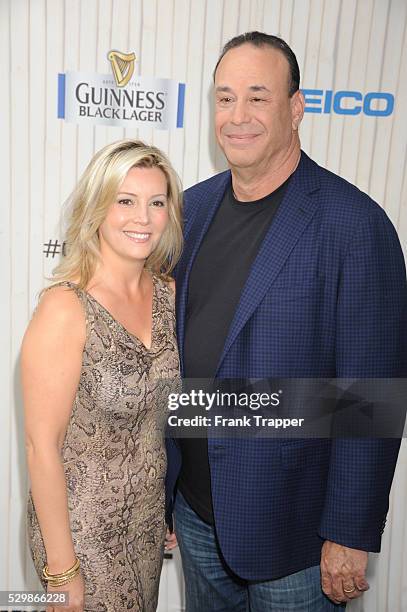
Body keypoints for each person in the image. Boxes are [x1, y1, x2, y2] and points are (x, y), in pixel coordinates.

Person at [165, 32, 407, 611]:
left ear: (296, 108)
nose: (237, 116)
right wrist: (167, 491)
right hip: (197, 519)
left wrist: (349, 532)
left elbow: (370, 395)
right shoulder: (188, 211)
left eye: (257, 97)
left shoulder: (355, 226)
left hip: (296, 538)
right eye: (224, 99)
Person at [22, 139, 182, 612]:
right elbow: (40, 447)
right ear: (98, 207)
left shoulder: (169, 295)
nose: (144, 218)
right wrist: (62, 570)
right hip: (80, 529)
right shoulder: (65, 308)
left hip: (148, 521)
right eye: (125, 201)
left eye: (157, 203)